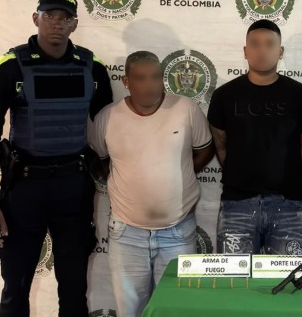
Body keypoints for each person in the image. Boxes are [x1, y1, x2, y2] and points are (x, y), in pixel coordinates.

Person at [0, 0, 113, 317]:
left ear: (74, 24)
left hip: (73, 189)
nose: (57, 23)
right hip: (23, 189)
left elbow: (112, 133)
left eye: (65, 17)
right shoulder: (8, 67)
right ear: (35, 18)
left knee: (74, 289)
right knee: (15, 287)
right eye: (49, 15)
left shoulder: (92, 67)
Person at [89, 51, 214, 317]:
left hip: (178, 233)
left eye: (156, 77)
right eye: (141, 78)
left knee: (176, 310)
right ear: (126, 81)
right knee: (130, 311)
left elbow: (204, 150)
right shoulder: (107, 117)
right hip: (126, 236)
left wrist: (178, 174)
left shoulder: (186, 109)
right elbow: (101, 162)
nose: (150, 85)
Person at [207, 19, 302, 255]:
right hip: (237, 203)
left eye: (269, 44)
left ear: (280, 51)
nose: (262, 51)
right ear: (245, 51)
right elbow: (220, 144)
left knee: (289, 275)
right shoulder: (224, 96)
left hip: (287, 204)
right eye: (255, 44)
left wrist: (283, 173)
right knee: (234, 276)